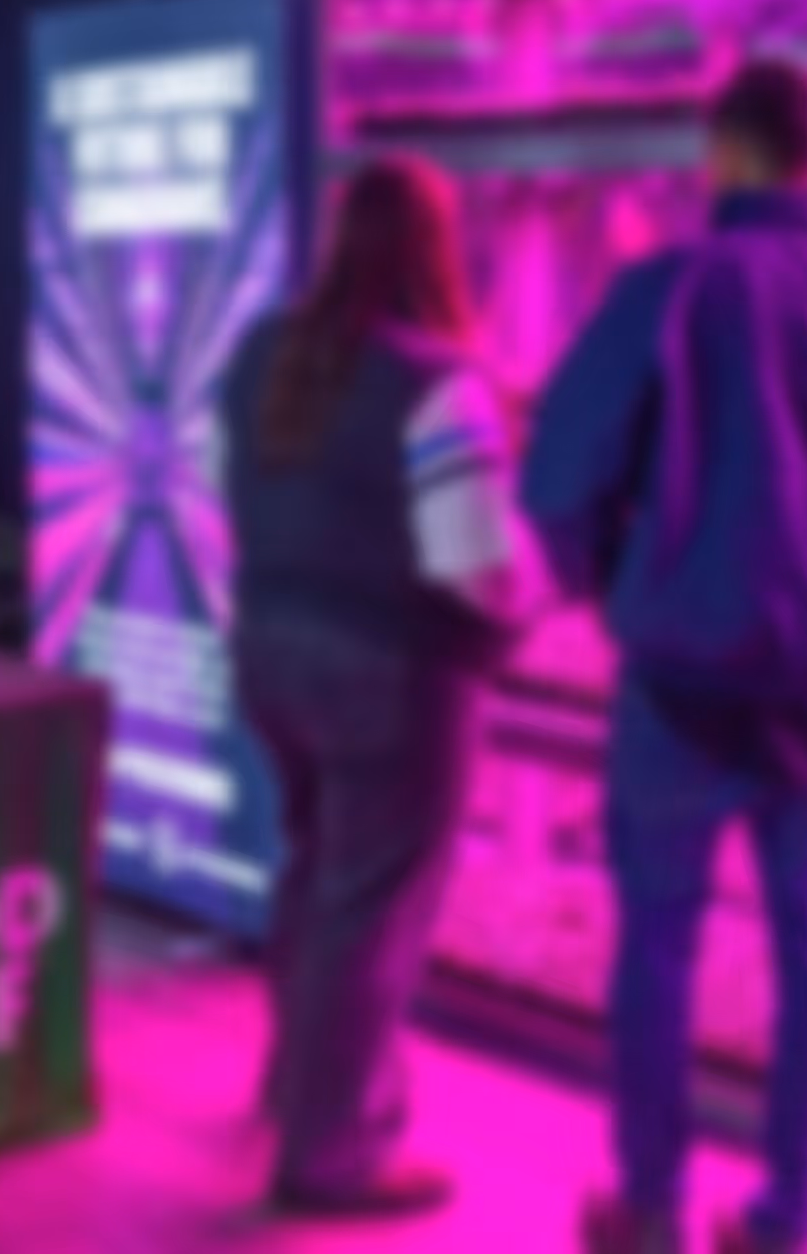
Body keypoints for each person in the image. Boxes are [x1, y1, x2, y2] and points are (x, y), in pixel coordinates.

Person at [521, 60, 807, 1254]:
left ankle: (652, 1209)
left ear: (720, 152)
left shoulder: (665, 292)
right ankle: (785, 1219)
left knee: (657, 941)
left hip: (676, 684)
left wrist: (604, 587)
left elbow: (557, 472)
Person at [221, 155, 546, 1218]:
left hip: (268, 653)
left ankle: (292, 1087)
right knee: (371, 910)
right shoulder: (436, 379)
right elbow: (469, 563)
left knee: (316, 874)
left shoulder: (262, 352)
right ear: (439, 250)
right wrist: (547, 586)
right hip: (388, 675)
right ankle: (332, 1156)